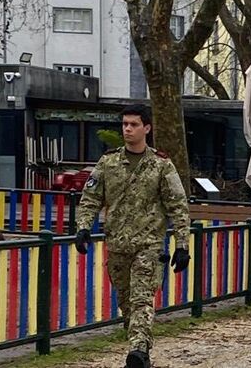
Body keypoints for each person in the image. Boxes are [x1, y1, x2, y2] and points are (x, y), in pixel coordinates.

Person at [74, 104, 190, 368]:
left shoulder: (161, 165)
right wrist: (83, 227)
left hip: (148, 246)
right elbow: (91, 198)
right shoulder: (108, 162)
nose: (127, 129)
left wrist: (182, 244)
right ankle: (139, 345)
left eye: (133, 124)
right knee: (126, 302)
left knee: (141, 299)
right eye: (125, 124)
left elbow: (178, 206)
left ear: (146, 128)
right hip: (117, 245)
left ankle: (138, 352)